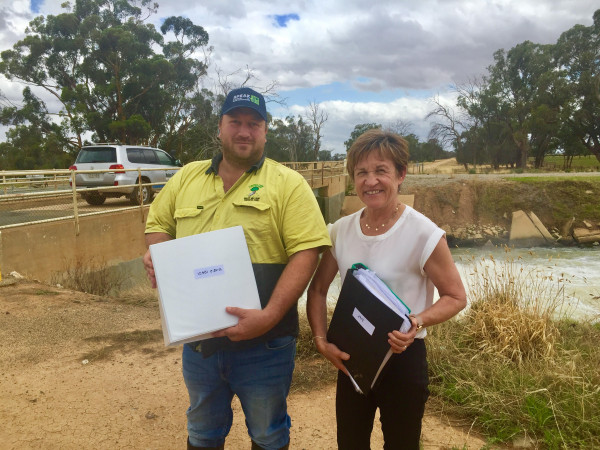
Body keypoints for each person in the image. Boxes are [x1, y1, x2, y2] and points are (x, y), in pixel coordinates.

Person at [143, 87, 331, 450]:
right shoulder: (186, 177)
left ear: (265, 131)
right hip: (199, 342)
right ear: (220, 127)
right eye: (235, 122)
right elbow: (158, 224)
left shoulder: (288, 184)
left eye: (253, 124)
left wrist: (269, 316)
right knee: (202, 430)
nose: (244, 131)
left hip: (266, 345)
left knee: (267, 433)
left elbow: (307, 252)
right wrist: (159, 256)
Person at [306, 129, 466, 449]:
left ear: (401, 174)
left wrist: (416, 321)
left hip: (403, 359)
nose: (371, 181)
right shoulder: (340, 231)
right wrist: (321, 341)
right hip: (352, 356)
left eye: (381, 170)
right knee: (350, 444)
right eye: (361, 172)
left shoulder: (424, 234)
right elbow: (318, 290)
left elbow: (456, 297)